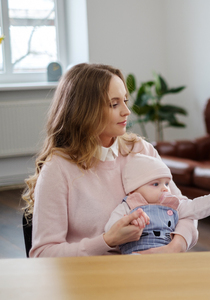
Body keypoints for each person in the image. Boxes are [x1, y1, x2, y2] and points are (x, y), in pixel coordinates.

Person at [22, 63, 198, 257]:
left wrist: (174, 247)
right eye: (114, 104)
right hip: (92, 279)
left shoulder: (141, 150)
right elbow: (42, 254)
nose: (126, 111)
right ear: (84, 111)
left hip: (151, 273)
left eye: (125, 100)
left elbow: (185, 210)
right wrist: (108, 240)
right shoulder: (58, 169)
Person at [104, 153, 210, 254]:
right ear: (134, 189)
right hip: (135, 255)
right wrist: (130, 222)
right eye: (155, 184)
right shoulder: (128, 206)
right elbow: (111, 229)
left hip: (167, 254)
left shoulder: (173, 204)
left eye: (166, 183)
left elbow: (194, 208)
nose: (165, 188)